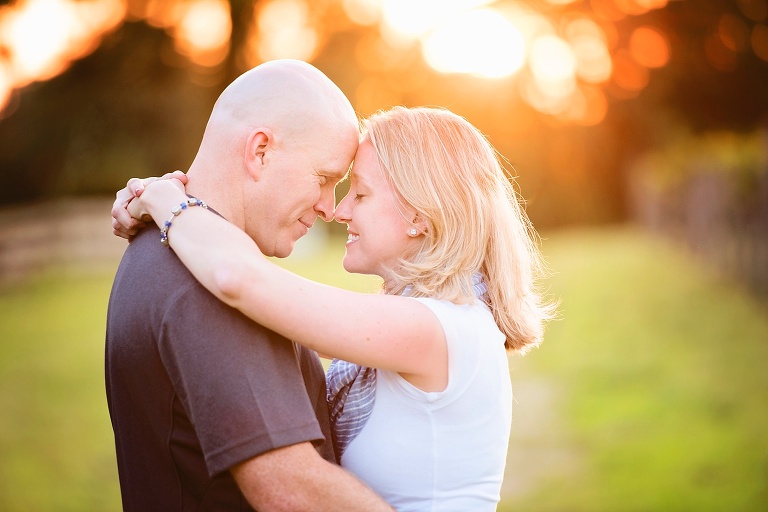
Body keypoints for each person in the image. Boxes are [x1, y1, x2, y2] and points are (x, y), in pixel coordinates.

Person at [116, 105, 556, 511]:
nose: (339, 210)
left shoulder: (440, 329)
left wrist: (167, 199)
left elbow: (239, 278)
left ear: (420, 214)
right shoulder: (421, 320)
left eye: (360, 194)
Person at [106, 59, 394, 511]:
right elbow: (293, 492)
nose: (328, 207)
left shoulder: (156, 246)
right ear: (259, 151)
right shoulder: (207, 286)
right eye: (324, 179)